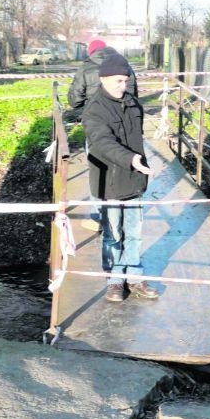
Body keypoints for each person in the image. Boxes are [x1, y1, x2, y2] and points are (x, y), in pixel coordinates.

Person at [82, 52, 158, 303]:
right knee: (113, 235)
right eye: (117, 81)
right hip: (110, 182)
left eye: (126, 81)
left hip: (135, 180)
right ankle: (115, 281)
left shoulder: (134, 104)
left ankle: (134, 277)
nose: (123, 86)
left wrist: (138, 164)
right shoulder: (94, 110)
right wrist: (130, 159)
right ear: (103, 79)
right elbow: (102, 143)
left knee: (134, 233)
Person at [68, 40, 137, 232]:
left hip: (96, 125)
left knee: (98, 169)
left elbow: (74, 100)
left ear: (91, 52)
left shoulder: (86, 68)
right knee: (125, 165)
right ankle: (123, 215)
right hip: (125, 125)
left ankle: (99, 217)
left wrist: (87, 108)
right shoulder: (125, 66)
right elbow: (133, 97)